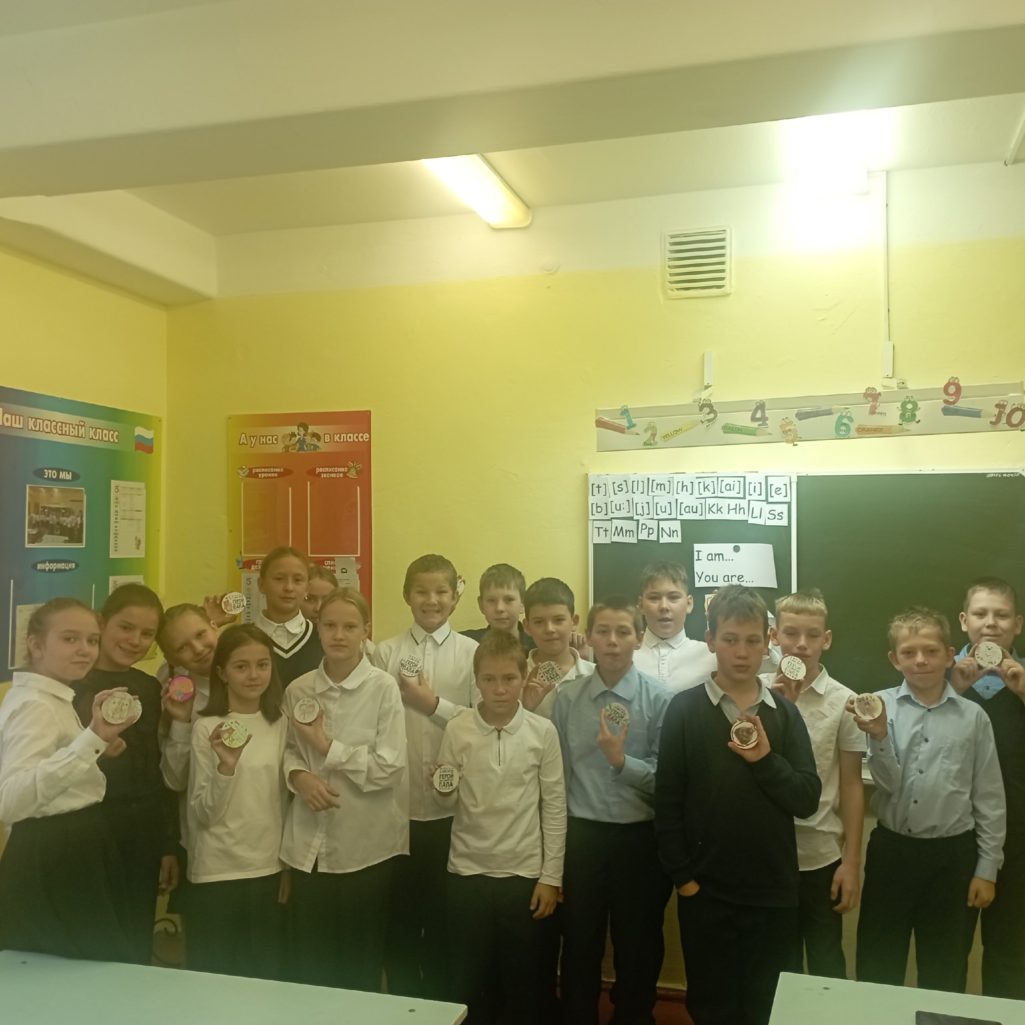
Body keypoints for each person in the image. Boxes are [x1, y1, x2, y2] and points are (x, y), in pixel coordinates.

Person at [655, 585, 820, 1025]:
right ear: (711, 640)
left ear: (768, 643)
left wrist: (765, 761)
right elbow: (667, 802)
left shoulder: (784, 714)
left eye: (751, 640)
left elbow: (806, 798)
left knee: (767, 1006)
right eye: (730, 639)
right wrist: (684, 879)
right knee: (712, 1005)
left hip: (772, 892)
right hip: (706, 892)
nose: (741, 652)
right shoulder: (684, 711)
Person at [854, 606, 1006, 993]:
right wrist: (878, 736)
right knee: (877, 963)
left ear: (949, 655)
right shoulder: (878, 707)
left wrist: (987, 869)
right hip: (892, 853)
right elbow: (887, 784)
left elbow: (989, 797)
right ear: (894, 659)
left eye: (931, 651)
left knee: (945, 969)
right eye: (909, 652)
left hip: (952, 859)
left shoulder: (973, 718)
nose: (920, 660)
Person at [553, 595, 672, 1025]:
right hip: (582, 838)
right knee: (579, 941)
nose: (613, 641)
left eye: (623, 632)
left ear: (639, 638)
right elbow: (556, 775)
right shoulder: (567, 699)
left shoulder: (661, 700)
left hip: (639, 840)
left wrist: (622, 762)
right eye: (602, 631)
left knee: (638, 945)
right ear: (588, 636)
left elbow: (669, 782)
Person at [436, 631, 566, 1023]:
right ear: (476, 680)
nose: (499, 688)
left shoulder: (542, 732)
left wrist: (551, 877)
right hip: (467, 873)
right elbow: (447, 801)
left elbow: (554, 807)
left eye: (509, 678)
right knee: (471, 979)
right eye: (489, 679)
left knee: (522, 980)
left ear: (524, 677)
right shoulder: (458, 728)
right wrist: (442, 788)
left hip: (522, 876)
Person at [282, 587, 407, 991]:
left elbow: (389, 768)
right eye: (330, 625)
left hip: (366, 847)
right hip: (309, 848)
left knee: (359, 963)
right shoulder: (298, 689)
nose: (338, 635)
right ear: (317, 628)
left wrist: (328, 748)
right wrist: (299, 776)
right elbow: (286, 750)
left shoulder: (383, 688)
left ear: (366, 630)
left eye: (349, 626)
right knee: (311, 962)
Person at [0, 598, 137, 961]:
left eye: (92, 640)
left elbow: (50, 766)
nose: (85, 650)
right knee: (78, 971)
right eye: (69, 639)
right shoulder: (36, 705)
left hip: (71, 846)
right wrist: (91, 740)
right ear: (35, 644)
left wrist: (91, 746)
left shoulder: (51, 697)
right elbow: (10, 800)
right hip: (55, 853)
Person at [371, 553, 478, 999]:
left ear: (455, 597)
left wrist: (433, 705)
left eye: (441, 591)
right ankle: (402, 1004)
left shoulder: (471, 654)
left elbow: (480, 722)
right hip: (395, 811)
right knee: (397, 920)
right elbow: (372, 722)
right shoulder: (385, 652)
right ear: (406, 595)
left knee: (442, 920)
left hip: (451, 814)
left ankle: (440, 1005)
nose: (431, 600)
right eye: (421, 591)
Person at [73, 583, 179, 964]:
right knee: (87, 940)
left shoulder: (149, 688)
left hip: (140, 832)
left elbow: (154, 767)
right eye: (126, 627)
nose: (135, 641)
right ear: (101, 622)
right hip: (85, 828)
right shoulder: (71, 685)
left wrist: (167, 844)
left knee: (134, 938)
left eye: (147, 634)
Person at [764, 590, 864, 979]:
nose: (801, 645)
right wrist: (777, 710)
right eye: (791, 633)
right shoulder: (755, 693)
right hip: (767, 854)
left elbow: (852, 785)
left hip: (821, 856)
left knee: (826, 963)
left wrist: (851, 863)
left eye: (812, 635)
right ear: (774, 636)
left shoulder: (845, 701)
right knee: (777, 965)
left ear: (827, 639)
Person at [186, 624, 288, 979]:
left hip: (266, 869)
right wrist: (225, 769)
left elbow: (284, 803)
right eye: (241, 666)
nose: (253, 675)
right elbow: (203, 814)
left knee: (263, 981)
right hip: (216, 871)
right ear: (222, 673)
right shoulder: (206, 727)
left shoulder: (281, 724)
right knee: (214, 982)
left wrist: (286, 866)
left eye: (262, 664)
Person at [949, 577, 1025, 998]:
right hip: (954, 836)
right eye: (981, 614)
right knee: (947, 951)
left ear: (1018, 624)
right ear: (965, 621)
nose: (991, 623)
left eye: (1002, 615)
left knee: (1009, 954)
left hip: (1018, 839)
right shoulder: (935, 676)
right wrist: (953, 691)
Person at [521, 577, 595, 721]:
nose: (549, 629)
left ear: (574, 622)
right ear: (527, 626)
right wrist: (525, 708)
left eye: (558, 620)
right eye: (539, 622)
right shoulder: (516, 677)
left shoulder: (595, 676)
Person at [634, 562, 716, 692]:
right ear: (641, 605)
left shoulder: (712, 658)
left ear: (688, 604)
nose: (664, 606)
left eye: (673, 597)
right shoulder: (625, 657)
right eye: (654, 598)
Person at [255, 545, 323, 686]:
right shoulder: (240, 639)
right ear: (261, 584)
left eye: (298, 580)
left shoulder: (324, 638)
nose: (289, 588)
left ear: (307, 588)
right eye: (279, 579)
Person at [461, 563, 535, 652]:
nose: (499, 608)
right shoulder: (465, 645)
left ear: (523, 603)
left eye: (509, 600)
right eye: (491, 600)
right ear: (481, 605)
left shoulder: (538, 646)